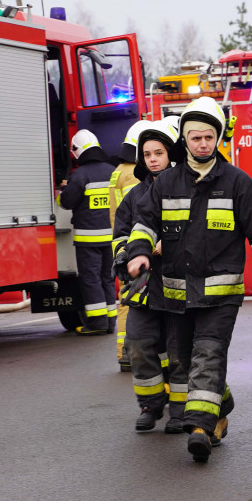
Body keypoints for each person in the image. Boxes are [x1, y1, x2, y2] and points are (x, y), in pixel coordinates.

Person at [125, 96, 252, 463]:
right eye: (195, 138)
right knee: (185, 357)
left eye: (208, 137)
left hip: (221, 297)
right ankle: (221, 404)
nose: (202, 144)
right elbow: (145, 223)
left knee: (207, 354)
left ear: (218, 139)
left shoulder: (237, 183)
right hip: (176, 296)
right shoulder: (165, 182)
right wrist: (137, 253)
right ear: (184, 139)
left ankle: (200, 428)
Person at [112, 120, 187, 433]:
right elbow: (120, 236)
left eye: (159, 152)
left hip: (177, 287)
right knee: (140, 346)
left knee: (179, 352)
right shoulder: (133, 196)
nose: (153, 158)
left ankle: (181, 411)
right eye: (147, 154)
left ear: (171, 154)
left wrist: (166, 246)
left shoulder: (187, 189)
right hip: (142, 288)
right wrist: (124, 257)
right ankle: (150, 405)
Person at [58, 129, 117, 335]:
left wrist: (61, 193)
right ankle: (110, 321)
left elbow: (67, 201)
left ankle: (97, 322)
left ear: (78, 150)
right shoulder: (112, 171)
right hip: (111, 237)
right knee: (107, 278)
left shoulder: (80, 175)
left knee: (91, 279)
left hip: (88, 239)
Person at [110, 120, 152, 371]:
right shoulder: (134, 176)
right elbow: (143, 209)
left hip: (120, 239)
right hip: (136, 241)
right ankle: (131, 352)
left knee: (127, 296)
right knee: (138, 297)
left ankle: (125, 352)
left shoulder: (117, 171)